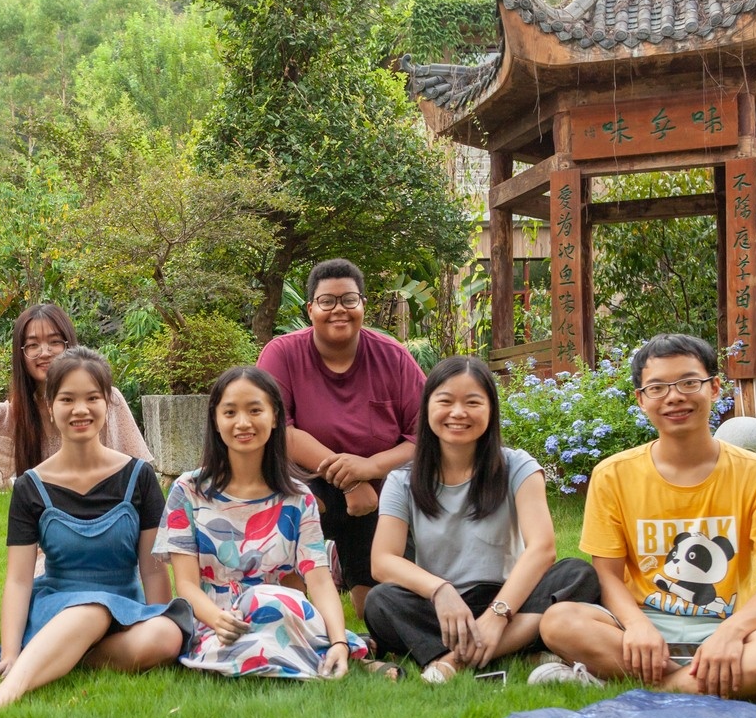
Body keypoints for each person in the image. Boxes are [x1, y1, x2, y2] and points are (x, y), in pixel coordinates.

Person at [533, 334, 756, 709]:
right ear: (641, 399)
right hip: (640, 632)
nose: (674, 396)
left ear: (715, 388)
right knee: (558, 621)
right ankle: (742, 684)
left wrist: (731, 633)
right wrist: (636, 626)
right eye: (657, 388)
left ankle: (647, 688)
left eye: (688, 382)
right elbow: (608, 576)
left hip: (727, 625)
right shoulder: (613, 475)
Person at [0, 348, 189, 718]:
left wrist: (155, 615)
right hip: (57, 605)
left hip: (124, 609)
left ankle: (62, 656)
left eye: (92, 398)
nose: (80, 409)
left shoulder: (140, 478)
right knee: (92, 609)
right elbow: (18, 580)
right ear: (50, 406)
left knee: (166, 636)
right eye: (67, 399)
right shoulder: (31, 486)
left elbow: (152, 570)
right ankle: (6, 691)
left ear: (108, 404)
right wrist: (12, 651)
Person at [363, 357, 600, 683]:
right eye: (445, 401)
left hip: (510, 599)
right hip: (443, 612)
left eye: (472, 402)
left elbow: (542, 549)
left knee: (577, 573)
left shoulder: (518, 466)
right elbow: (383, 561)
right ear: (427, 407)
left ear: (491, 410)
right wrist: (440, 591)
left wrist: (497, 616)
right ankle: (519, 649)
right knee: (380, 602)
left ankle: (453, 661)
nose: (458, 413)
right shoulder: (402, 480)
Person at [155, 366, 368, 679]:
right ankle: (311, 655)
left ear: (275, 416)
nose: (243, 423)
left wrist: (337, 639)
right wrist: (217, 619)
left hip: (283, 613)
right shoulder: (188, 491)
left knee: (271, 600)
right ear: (215, 419)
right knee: (259, 616)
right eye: (230, 412)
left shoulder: (298, 498)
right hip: (217, 623)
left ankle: (330, 650)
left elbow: (319, 580)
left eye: (255, 410)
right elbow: (186, 584)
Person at [257, 258, 426, 618]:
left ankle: (349, 566)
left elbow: (423, 435)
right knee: (297, 610)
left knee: (378, 612)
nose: (339, 310)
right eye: (327, 301)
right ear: (310, 309)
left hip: (377, 491)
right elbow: (277, 428)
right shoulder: (282, 353)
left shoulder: (393, 357)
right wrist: (350, 481)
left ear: (363, 304)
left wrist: (369, 467)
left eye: (349, 300)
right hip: (303, 483)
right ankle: (300, 583)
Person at [0, 294, 152, 485]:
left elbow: (142, 475)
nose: (44, 352)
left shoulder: (105, 399)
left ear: (69, 345)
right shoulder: (17, 413)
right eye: (32, 345)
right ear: (20, 355)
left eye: (54, 342)